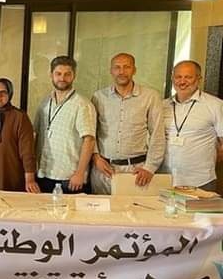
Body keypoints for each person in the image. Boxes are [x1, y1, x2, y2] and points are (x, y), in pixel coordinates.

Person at [90, 53, 165, 194]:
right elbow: (91, 132)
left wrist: (150, 167)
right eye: (117, 67)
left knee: (132, 207)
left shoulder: (150, 96)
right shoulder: (99, 97)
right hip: (103, 169)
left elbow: (158, 134)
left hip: (136, 171)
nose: (122, 71)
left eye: (126, 67)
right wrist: (95, 157)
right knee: (101, 208)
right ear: (111, 71)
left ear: (134, 70)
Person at [33, 56, 97, 193]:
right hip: (44, 173)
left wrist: (80, 173)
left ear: (74, 76)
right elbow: (36, 135)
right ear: (51, 75)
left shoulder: (82, 104)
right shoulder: (44, 103)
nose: (62, 78)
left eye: (67, 74)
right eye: (58, 74)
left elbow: (89, 140)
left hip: (70, 178)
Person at [161, 60, 223, 191]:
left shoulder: (215, 105)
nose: (182, 81)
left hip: (200, 180)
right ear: (172, 79)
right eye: (178, 77)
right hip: (164, 178)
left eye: (188, 77)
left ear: (199, 79)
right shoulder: (163, 106)